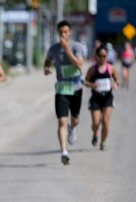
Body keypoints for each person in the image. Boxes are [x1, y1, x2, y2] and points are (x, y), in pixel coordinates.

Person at [44, 20, 85, 165]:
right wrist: (46, 68)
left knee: (75, 119)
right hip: (61, 88)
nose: (63, 34)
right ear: (57, 33)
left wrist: (67, 49)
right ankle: (64, 152)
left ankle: (73, 128)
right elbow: (48, 60)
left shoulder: (77, 47)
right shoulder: (53, 48)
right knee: (62, 121)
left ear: (70, 32)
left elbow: (79, 65)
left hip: (76, 88)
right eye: (60, 32)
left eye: (66, 32)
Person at [84, 45, 119, 151]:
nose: (102, 58)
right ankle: (95, 134)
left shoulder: (110, 68)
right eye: (100, 56)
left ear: (107, 56)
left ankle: (103, 142)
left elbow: (117, 80)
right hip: (96, 98)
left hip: (107, 97)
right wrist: (91, 85)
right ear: (96, 56)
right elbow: (85, 81)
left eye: (104, 56)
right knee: (96, 123)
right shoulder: (92, 69)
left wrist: (115, 84)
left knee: (105, 121)